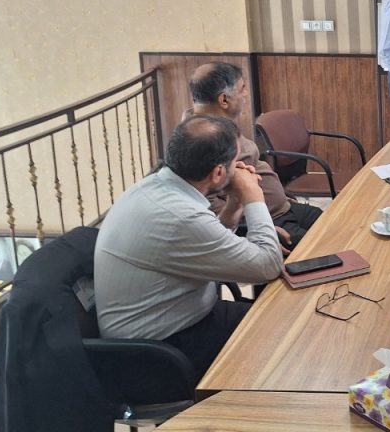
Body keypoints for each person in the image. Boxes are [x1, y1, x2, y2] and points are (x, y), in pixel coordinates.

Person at [94, 115, 283, 376]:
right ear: (218, 173)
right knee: (283, 334)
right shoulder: (180, 216)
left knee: (275, 315)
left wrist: (234, 204)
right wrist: (253, 196)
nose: (240, 168)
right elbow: (268, 265)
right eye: (235, 162)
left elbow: (206, 242)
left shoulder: (155, 186)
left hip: (175, 322)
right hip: (158, 354)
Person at [189, 61, 320, 250]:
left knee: (338, 223)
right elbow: (207, 205)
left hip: (283, 208)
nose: (245, 94)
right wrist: (255, 231)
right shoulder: (202, 140)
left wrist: (281, 197)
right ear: (224, 100)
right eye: (242, 89)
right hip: (269, 222)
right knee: (327, 247)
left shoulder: (219, 126)